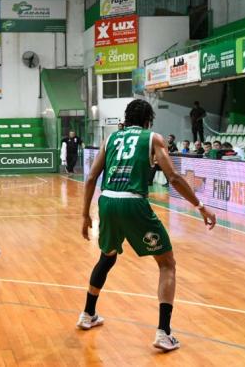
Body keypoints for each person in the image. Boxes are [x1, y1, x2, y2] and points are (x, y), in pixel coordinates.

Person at [78, 99, 216, 352]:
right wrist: (200, 206)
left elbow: (91, 178)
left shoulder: (110, 139)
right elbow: (173, 176)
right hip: (133, 202)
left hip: (107, 201)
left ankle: (87, 314)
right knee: (167, 263)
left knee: (107, 257)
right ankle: (164, 333)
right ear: (148, 120)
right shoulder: (153, 138)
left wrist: (85, 215)